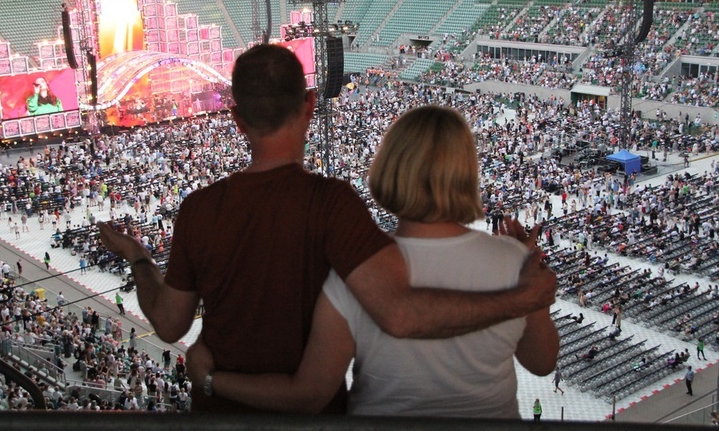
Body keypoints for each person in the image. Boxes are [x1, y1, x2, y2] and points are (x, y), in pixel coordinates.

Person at [97, 44, 556, 413]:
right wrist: (522, 291)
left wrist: (138, 256)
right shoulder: (334, 204)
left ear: (236, 119)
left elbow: (169, 324)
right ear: (310, 104)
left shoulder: (197, 210)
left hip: (222, 413)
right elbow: (400, 314)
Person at [184, 106, 558, 417]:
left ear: (390, 168)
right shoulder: (514, 261)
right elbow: (542, 362)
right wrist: (519, 260)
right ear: (465, 175)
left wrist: (210, 379)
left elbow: (309, 394)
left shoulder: (356, 269)